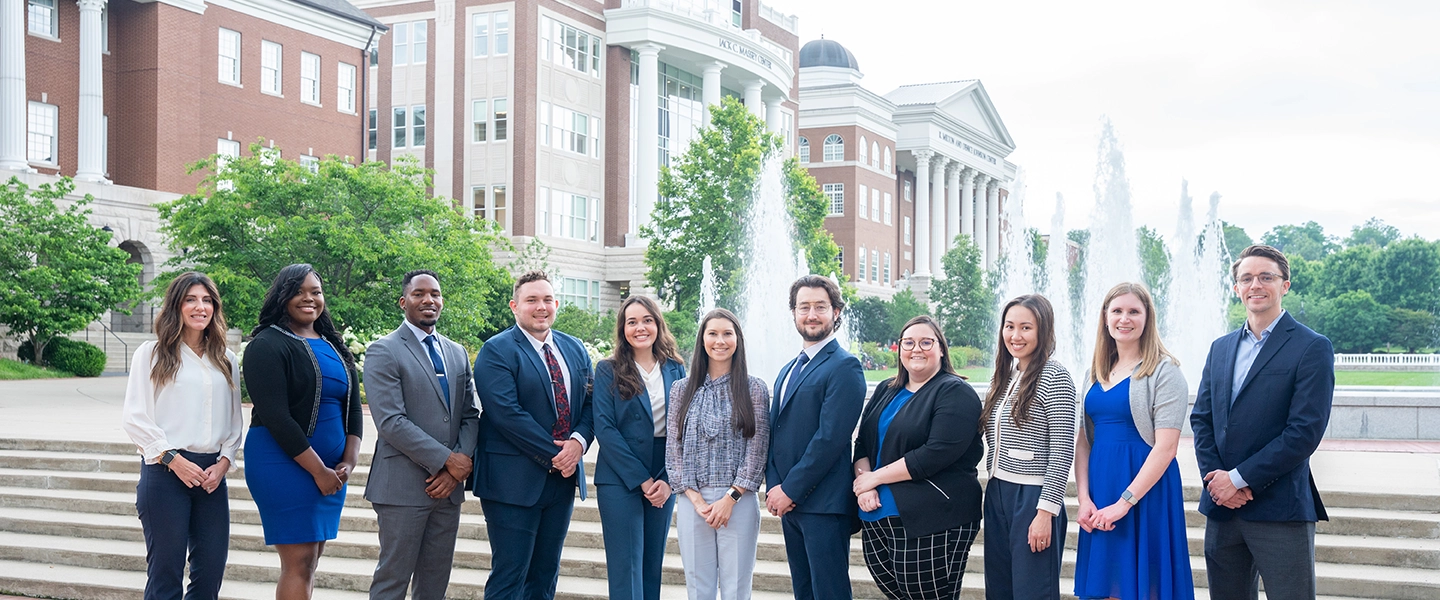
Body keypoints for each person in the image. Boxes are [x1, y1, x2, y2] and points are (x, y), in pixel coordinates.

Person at [1190, 244, 1334, 600]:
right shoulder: (1220, 348)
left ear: (1284, 285)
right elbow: (1202, 420)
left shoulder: (1311, 346)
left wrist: (1238, 479)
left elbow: (1303, 433)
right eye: (1246, 278)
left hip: (1280, 509)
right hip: (1223, 510)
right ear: (1236, 288)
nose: (1256, 284)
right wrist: (1217, 482)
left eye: (1266, 277)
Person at [470, 271, 594, 600]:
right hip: (512, 483)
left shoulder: (575, 348)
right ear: (515, 306)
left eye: (547, 300)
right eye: (532, 300)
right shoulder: (496, 351)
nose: (541, 307)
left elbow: (592, 403)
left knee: (545, 575)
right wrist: (560, 455)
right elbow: (506, 414)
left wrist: (578, 443)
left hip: (561, 483)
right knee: (510, 575)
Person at [242, 264, 363, 600]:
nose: (309, 298)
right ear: (283, 296)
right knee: (299, 560)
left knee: (312, 560)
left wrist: (348, 463)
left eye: (316, 292)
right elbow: (276, 417)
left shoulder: (335, 346)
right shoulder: (266, 345)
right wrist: (319, 470)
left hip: (331, 471)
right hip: (283, 465)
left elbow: (352, 411)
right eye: (299, 291)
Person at [121, 272, 244, 600]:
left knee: (210, 576)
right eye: (191, 299)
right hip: (165, 474)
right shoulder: (152, 354)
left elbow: (234, 422)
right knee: (165, 575)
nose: (200, 307)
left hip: (211, 479)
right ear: (176, 306)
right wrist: (174, 460)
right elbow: (135, 417)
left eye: (207, 300)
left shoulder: (226, 360)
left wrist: (225, 462)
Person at [1073, 282, 1194, 600]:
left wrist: (1124, 502)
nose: (1124, 318)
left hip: (1145, 491)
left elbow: (1166, 448)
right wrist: (1084, 499)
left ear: (1147, 318)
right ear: (1105, 317)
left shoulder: (1165, 373)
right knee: (1106, 587)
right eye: (1117, 311)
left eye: (1133, 311)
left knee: (1144, 586)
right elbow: (1083, 442)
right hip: (1101, 489)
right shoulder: (1092, 373)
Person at [363, 270, 480, 600]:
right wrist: (446, 461)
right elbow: (390, 421)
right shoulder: (383, 350)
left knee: (434, 582)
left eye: (435, 294)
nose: (429, 299)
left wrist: (459, 464)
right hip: (402, 488)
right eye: (419, 294)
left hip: (448, 491)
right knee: (392, 580)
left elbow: (470, 414)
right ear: (404, 302)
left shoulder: (456, 352)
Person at [852, 315, 983, 600]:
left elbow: (935, 453)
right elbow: (862, 444)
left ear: (941, 349)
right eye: (908, 343)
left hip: (934, 516)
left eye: (926, 342)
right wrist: (866, 486)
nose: (916, 349)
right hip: (877, 513)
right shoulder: (887, 389)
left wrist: (874, 478)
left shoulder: (955, 392)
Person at [765, 275, 866, 600]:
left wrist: (790, 489)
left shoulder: (845, 366)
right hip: (791, 504)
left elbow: (830, 439)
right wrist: (775, 486)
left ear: (836, 312)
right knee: (804, 592)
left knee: (829, 593)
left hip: (824, 505)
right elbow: (774, 432)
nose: (811, 314)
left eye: (820, 307)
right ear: (793, 313)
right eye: (803, 307)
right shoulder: (788, 369)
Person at [667, 308, 769, 600]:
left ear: (738, 339)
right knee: (698, 586)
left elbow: (757, 447)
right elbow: (674, 448)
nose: (720, 341)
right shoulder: (681, 389)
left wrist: (731, 497)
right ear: (702, 340)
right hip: (693, 501)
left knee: (736, 586)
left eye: (727, 333)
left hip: (738, 501)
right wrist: (695, 498)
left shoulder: (754, 389)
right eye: (712, 333)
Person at [980, 294, 1076, 600]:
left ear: (1042, 331)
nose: (1015, 335)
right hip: (998, 492)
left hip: (1032, 498)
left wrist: (1046, 511)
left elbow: (1063, 450)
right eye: (1009, 326)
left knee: (1033, 592)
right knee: (1001, 591)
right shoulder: (1005, 377)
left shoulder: (1055, 376)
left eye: (1025, 327)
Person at [594, 296, 686, 600]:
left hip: (663, 470)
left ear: (658, 324)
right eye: (631, 322)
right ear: (623, 329)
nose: (640, 327)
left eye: (647, 319)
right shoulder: (608, 369)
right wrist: (643, 480)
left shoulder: (675, 368)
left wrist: (668, 479)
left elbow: (683, 426)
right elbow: (605, 429)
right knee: (626, 565)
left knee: (651, 564)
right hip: (620, 475)